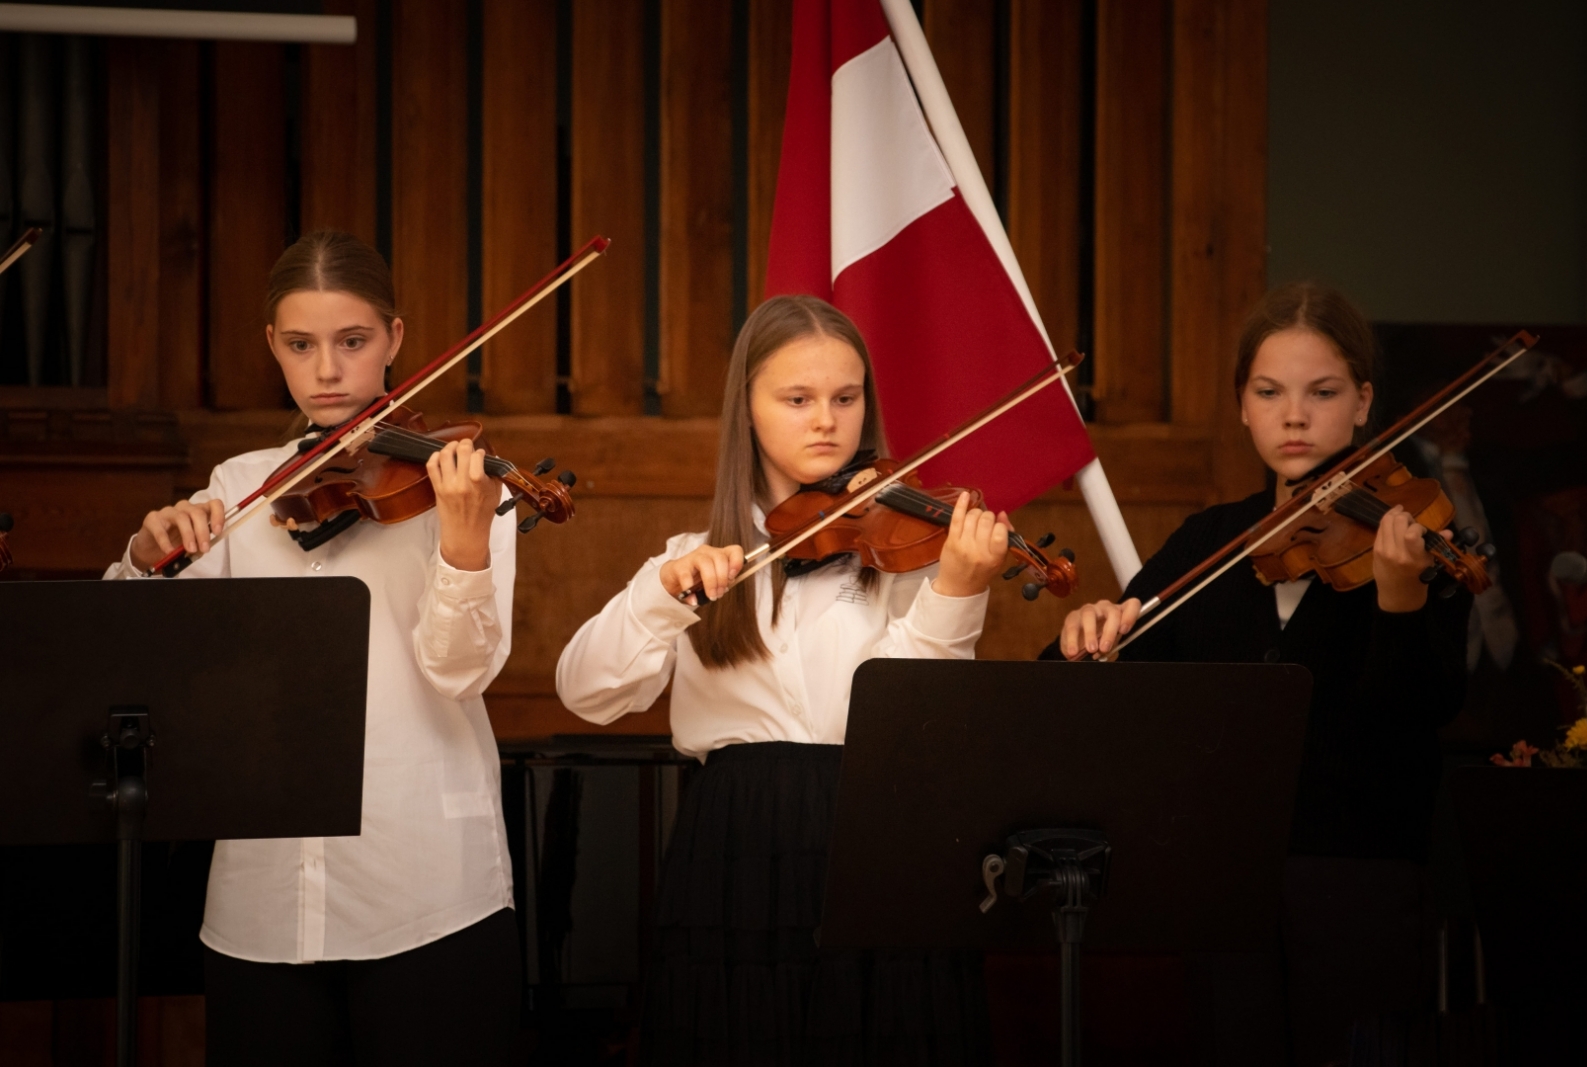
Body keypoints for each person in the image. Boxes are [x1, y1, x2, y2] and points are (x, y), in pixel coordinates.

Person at [103, 231, 522, 1066]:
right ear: (274, 347)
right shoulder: (238, 490)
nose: (327, 369)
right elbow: (134, 662)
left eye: (352, 341)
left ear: (396, 340)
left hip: (428, 891)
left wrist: (465, 544)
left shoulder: (459, 486)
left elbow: (459, 670)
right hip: (261, 900)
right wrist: (144, 564)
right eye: (301, 345)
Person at [557, 294, 1010, 1065]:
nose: (826, 420)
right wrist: (662, 596)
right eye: (797, 399)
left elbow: (916, 719)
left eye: (845, 397)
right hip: (738, 843)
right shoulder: (691, 555)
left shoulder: (912, 552)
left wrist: (957, 591)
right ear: (749, 410)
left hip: (884, 833)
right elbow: (587, 689)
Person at [1045, 283, 1471, 1066]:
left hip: (1363, 881)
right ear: (1242, 404)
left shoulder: (1419, 536)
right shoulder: (1213, 539)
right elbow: (1099, 667)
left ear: (1364, 401)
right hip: (1224, 887)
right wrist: (1086, 632)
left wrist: (1401, 600)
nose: (1295, 416)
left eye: (1323, 392)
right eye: (1269, 392)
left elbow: (1424, 711)